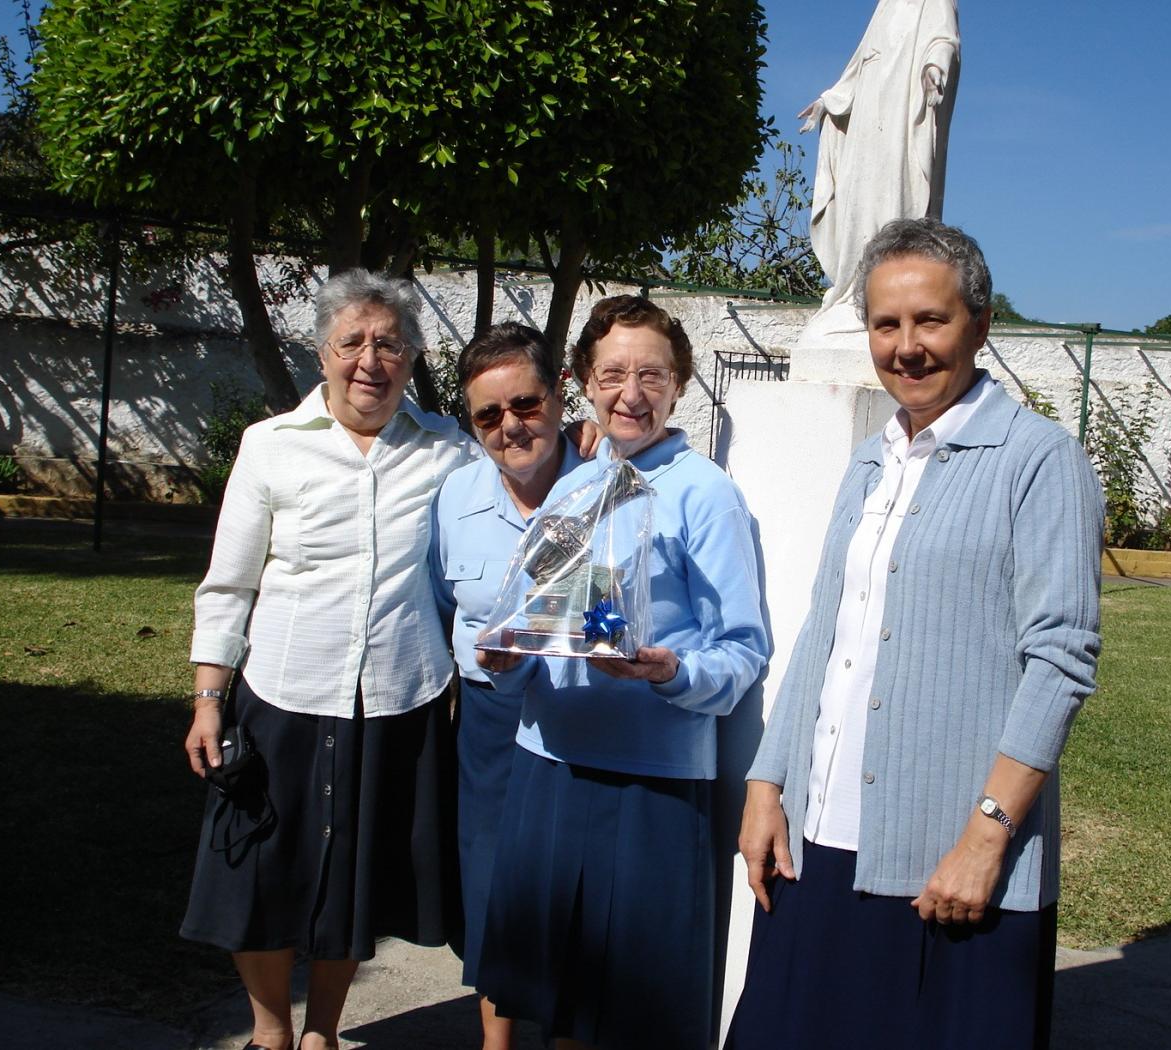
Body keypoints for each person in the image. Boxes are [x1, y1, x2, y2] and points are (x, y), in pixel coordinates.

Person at [726, 218, 1103, 1050]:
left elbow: (1061, 661)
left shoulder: (1038, 461)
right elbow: (825, 630)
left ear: (980, 321)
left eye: (929, 320)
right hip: (821, 846)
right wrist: (765, 788)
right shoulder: (870, 460)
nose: (906, 347)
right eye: (885, 324)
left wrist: (986, 836)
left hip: (948, 862)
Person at [180, 269, 474, 1050]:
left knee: (354, 876)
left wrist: (573, 441)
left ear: (412, 357)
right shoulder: (270, 446)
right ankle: (272, 1028)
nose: (370, 360)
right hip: (281, 694)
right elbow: (230, 580)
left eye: (390, 343)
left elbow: (515, 493)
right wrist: (210, 698)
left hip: (395, 700)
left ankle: (326, 1033)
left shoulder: (448, 451)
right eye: (353, 342)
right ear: (322, 353)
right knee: (260, 873)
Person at [475, 296, 771, 1050]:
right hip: (549, 770)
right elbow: (532, 624)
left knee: (630, 1017)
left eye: (651, 375)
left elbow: (742, 649)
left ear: (680, 386)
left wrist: (672, 672)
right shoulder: (570, 490)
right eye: (612, 374)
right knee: (555, 1006)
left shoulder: (706, 495)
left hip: (650, 785)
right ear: (582, 380)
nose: (630, 394)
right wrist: (501, 661)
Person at [429, 323, 590, 1050]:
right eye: (487, 415)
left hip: (579, 714)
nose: (510, 427)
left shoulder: (607, 483)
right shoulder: (455, 496)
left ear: (559, 395)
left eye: (524, 404)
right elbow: (438, 601)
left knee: (571, 888)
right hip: (491, 719)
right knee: (492, 882)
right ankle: (496, 1043)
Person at [796, 0, 961, 349]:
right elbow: (859, 65)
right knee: (857, 206)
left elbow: (944, 39)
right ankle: (853, 292)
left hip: (900, 124)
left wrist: (935, 68)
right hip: (867, 130)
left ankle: (884, 291)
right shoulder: (886, 6)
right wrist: (830, 100)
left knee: (891, 203)